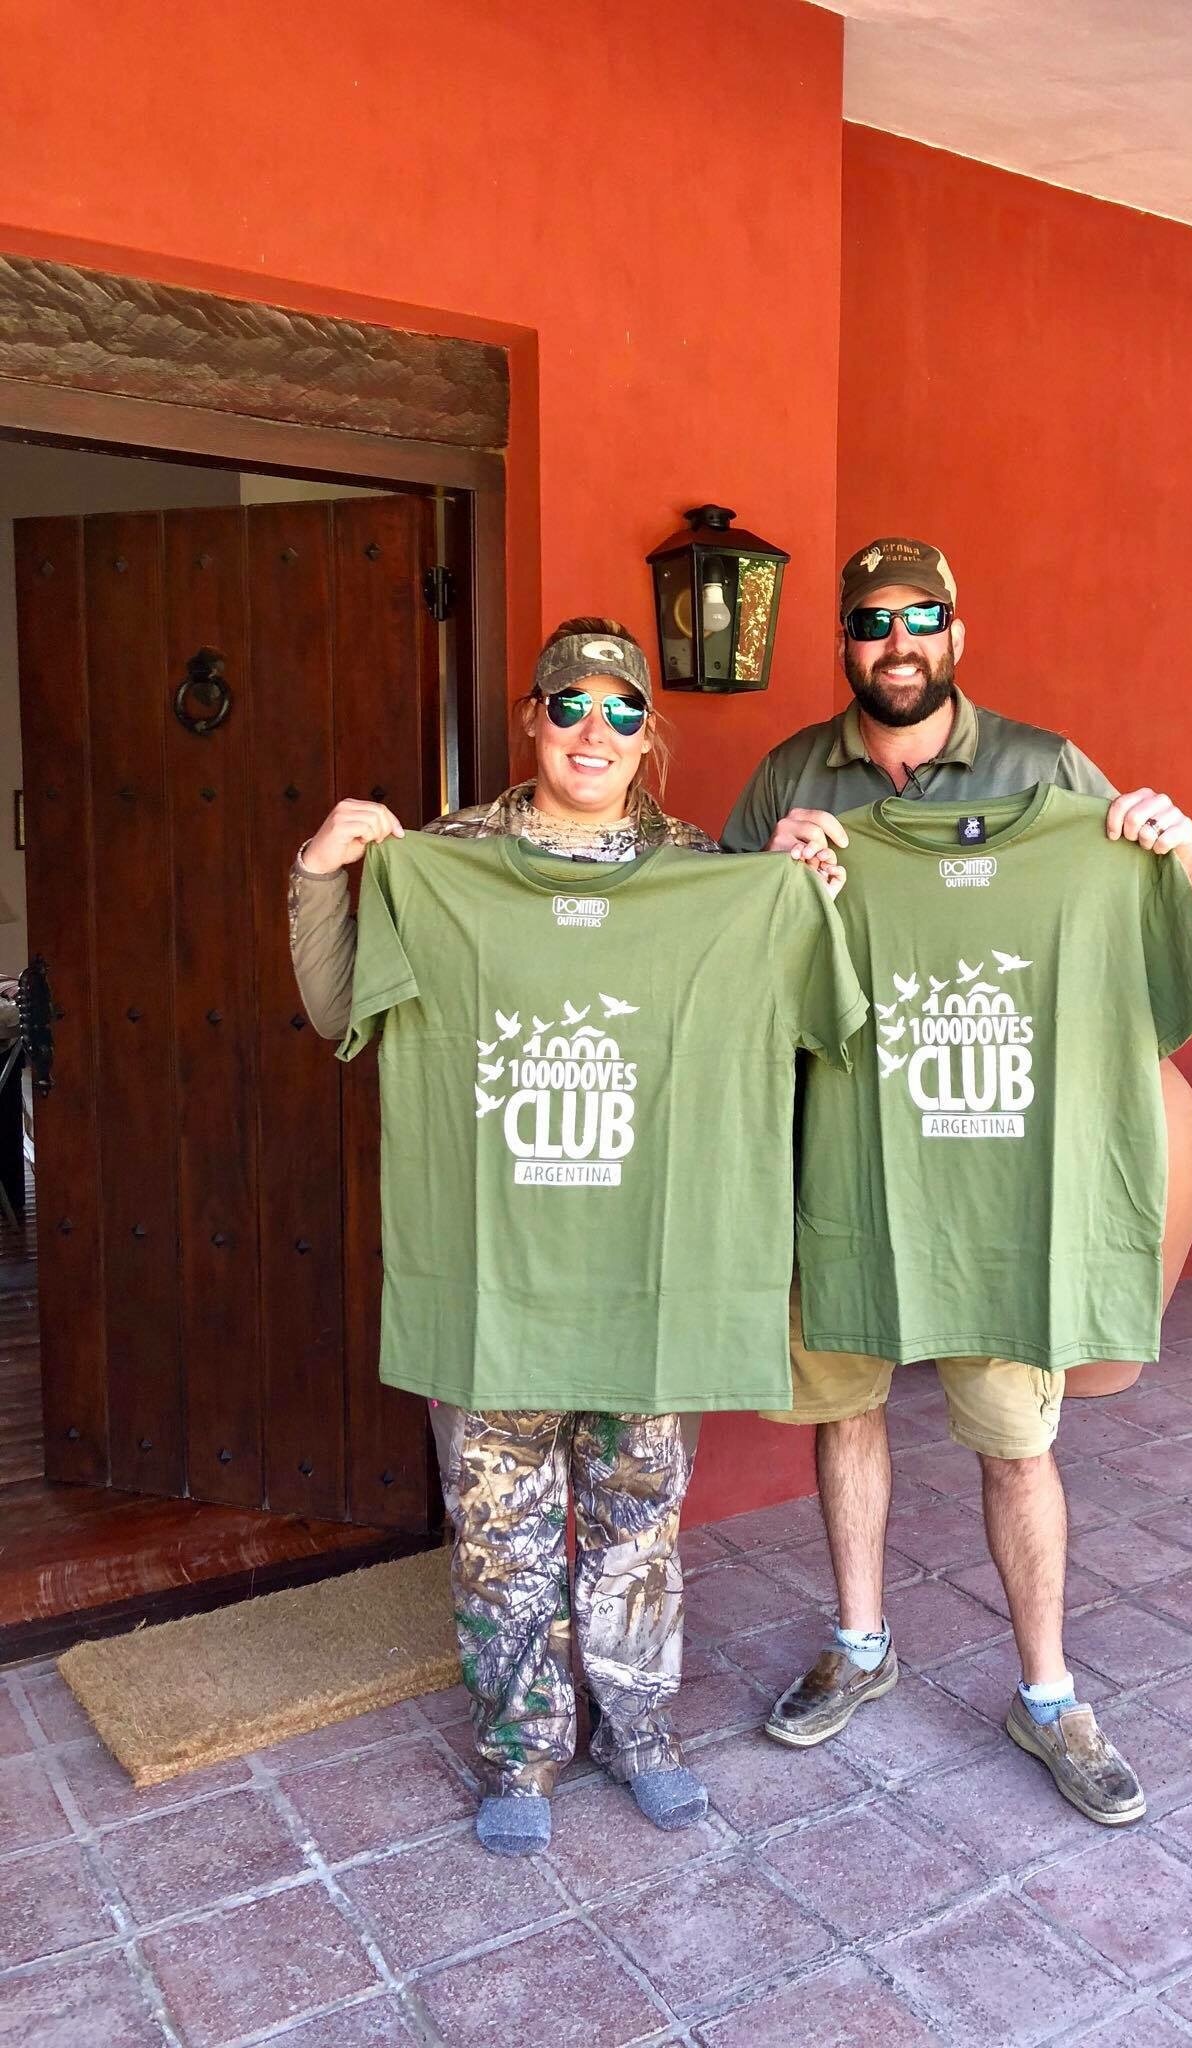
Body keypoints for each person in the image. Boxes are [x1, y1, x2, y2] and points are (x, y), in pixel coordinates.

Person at [290, 616, 839, 1858]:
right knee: (499, 1527)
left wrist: (803, 887)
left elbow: (798, 1026)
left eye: (623, 709)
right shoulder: (443, 862)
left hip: (651, 1272)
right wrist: (327, 870)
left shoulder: (708, 869)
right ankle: (522, 1744)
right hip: (499, 1277)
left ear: (650, 735)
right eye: (571, 703)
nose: (595, 729)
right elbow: (340, 1008)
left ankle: (640, 1726)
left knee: (639, 1514)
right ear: (532, 716)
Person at [723, 538, 1192, 1826]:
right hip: (847, 1168)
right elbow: (726, 953)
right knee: (848, 1405)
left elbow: (1166, 918)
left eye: (919, 616)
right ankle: (862, 1643)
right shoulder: (793, 771)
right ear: (845, 639)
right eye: (872, 620)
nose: (897, 640)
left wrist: (1168, 848)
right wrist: (773, 878)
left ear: (955, 629)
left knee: (1019, 1441)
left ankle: (1048, 1692)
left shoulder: (1048, 769)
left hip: (1004, 1183)